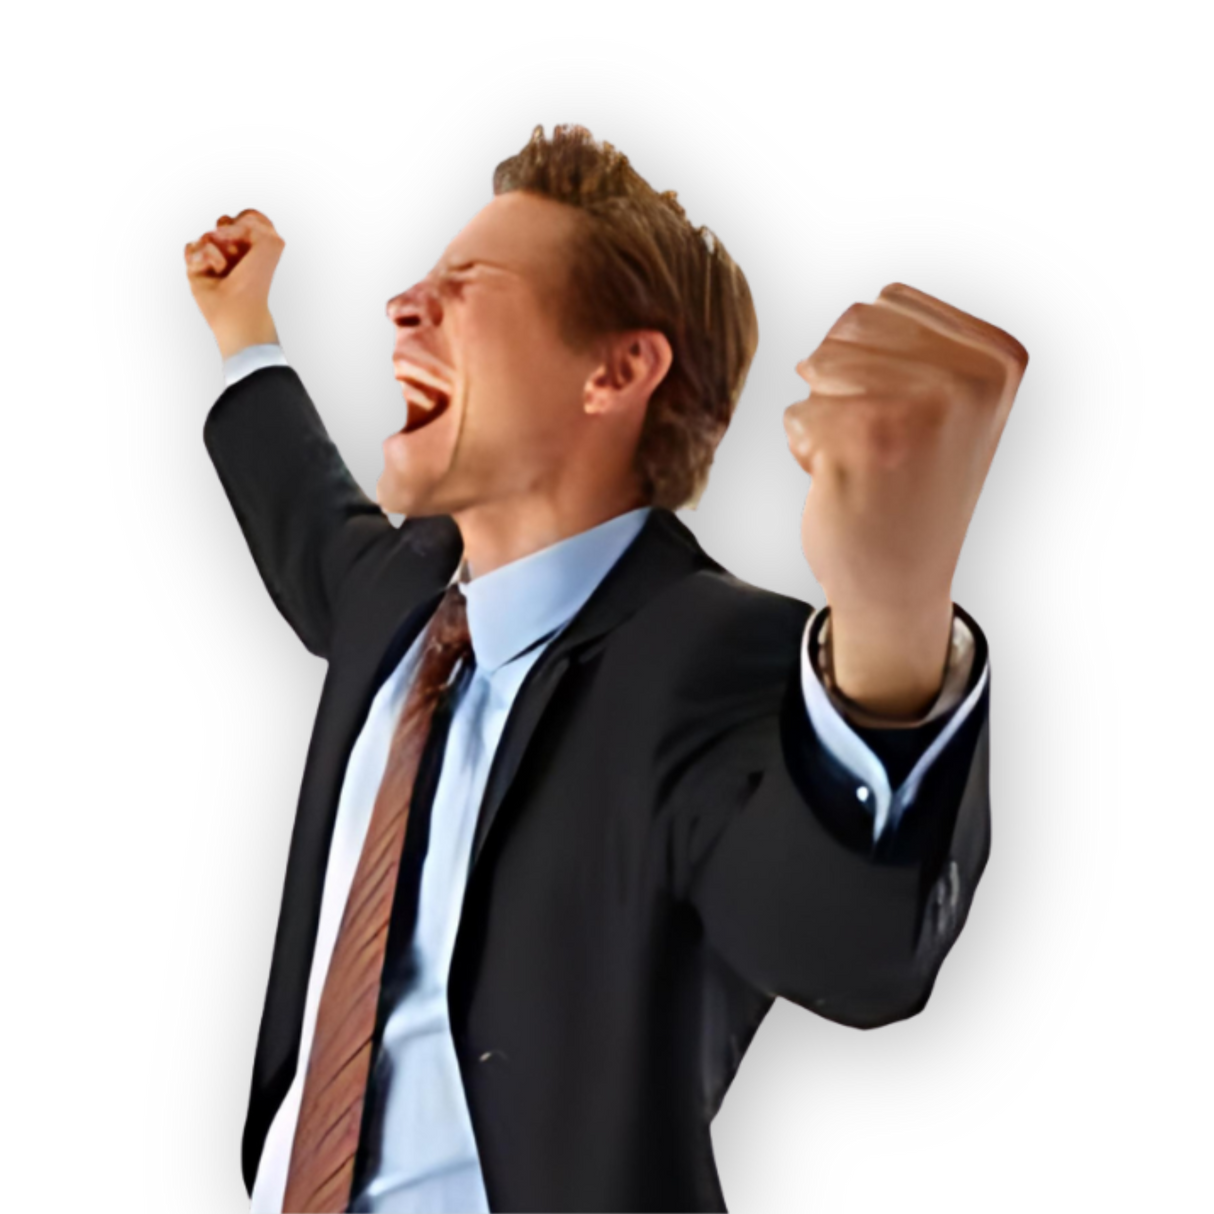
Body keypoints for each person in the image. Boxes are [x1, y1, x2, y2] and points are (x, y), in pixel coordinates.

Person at [190, 122, 1024, 1214]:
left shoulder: (706, 652)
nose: (402, 303)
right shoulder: (400, 592)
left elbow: (846, 941)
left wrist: (888, 616)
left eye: (465, 283)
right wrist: (244, 329)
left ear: (616, 369)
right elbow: (306, 513)